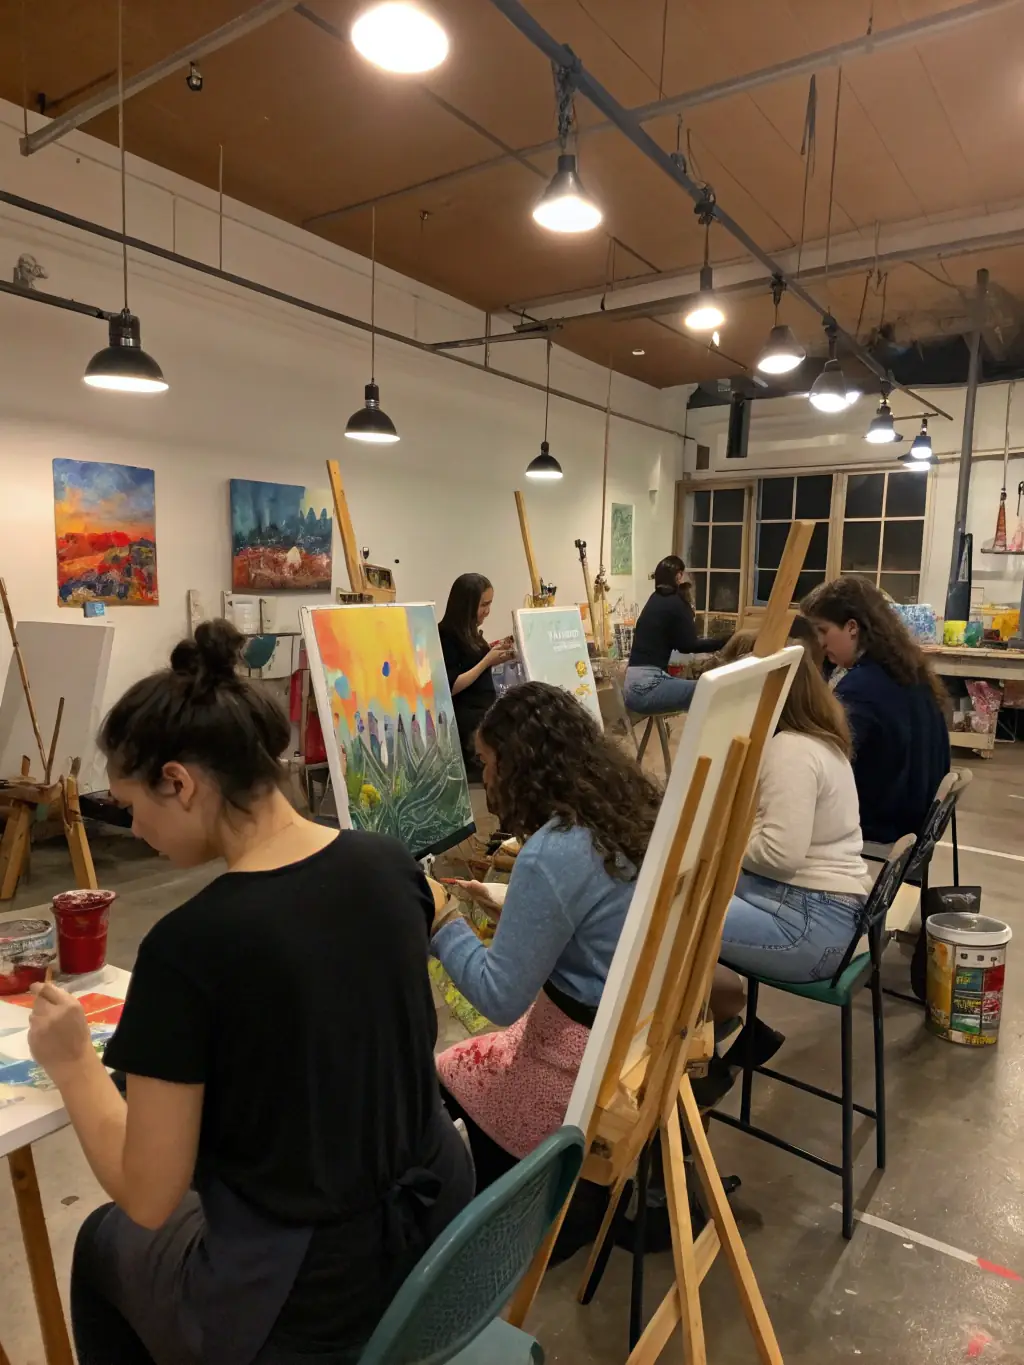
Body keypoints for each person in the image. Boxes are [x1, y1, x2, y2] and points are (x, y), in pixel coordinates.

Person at [27, 620, 473, 1365]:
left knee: (106, 1238)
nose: (135, 830)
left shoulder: (189, 948)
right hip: (433, 1241)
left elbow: (149, 1194)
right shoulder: (392, 865)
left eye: (135, 804)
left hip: (312, 1302)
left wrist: (73, 1062)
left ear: (181, 781)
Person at [430, 681, 662, 1188]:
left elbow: (500, 997)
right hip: (642, 1027)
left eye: (488, 761)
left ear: (519, 767)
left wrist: (444, 920)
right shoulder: (628, 811)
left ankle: (509, 1204)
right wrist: (512, 901)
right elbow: (598, 909)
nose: (484, 775)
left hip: (586, 1056)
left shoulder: (554, 851)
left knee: (443, 1068)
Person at [713, 629, 873, 988]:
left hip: (811, 927)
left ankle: (712, 1029)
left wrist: (724, 831)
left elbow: (779, 854)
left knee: (663, 921)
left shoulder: (791, 751)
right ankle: (717, 1024)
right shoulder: (816, 739)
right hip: (821, 913)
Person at [801, 575, 950, 846]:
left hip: (879, 830)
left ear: (852, 627)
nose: (820, 643)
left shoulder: (861, 689)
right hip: (912, 826)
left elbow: (828, 768)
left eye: (823, 631)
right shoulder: (911, 673)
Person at [624, 555, 729, 714]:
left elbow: (680, 643)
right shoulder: (675, 603)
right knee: (709, 691)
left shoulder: (655, 599)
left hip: (636, 683)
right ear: (678, 576)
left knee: (700, 689)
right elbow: (688, 645)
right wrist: (725, 642)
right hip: (646, 686)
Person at [437, 572, 514, 779]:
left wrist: (495, 653)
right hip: (467, 728)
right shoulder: (446, 636)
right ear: (467, 606)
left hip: (483, 719)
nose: (487, 611)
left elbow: (473, 663)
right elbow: (450, 686)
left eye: (490, 604)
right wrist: (487, 660)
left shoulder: (470, 632)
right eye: (483, 605)